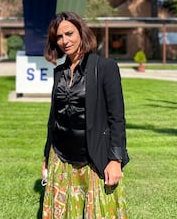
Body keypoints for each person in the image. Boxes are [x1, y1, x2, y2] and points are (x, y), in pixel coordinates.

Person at [41, 11, 129, 219]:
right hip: (61, 157)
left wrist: (115, 159)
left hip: (93, 158)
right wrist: (46, 156)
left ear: (81, 31)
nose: (65, 41)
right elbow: (54, 117)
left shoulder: (105, 67)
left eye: (69, 33)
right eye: (59, 37)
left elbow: (117, 117)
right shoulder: (59, 72)